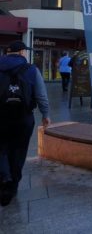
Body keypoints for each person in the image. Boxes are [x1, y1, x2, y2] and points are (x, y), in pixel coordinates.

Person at [0, 41, 50, 206]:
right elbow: (41, 95)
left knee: (2, 148)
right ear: (21, 52)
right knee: (19, 151)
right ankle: (12, 184)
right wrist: (45, 114)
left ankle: (4, 176)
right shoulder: (31, 70)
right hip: (23, 118)